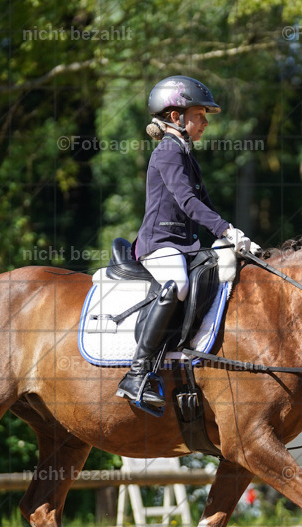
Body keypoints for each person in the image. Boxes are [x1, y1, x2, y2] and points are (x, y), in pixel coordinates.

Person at [116, 75, 260, 411]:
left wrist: (236, 239)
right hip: (159, 241)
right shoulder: (168, 152)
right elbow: (187, 203)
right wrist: (226, 230)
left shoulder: (186, 154)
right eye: (200, 115)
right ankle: (136, 374)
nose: (206, 122)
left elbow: (205, 204)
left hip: (185, 243)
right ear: (177, 116)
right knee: (176, 284)